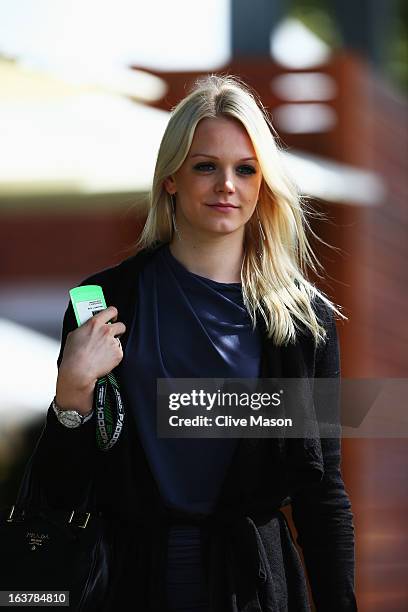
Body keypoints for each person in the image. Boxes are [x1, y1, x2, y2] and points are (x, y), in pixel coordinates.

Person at [31, 74, 357, 611]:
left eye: (244, 169)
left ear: (262, 185)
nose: (226, 184)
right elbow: (59, 492)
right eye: (206, 165)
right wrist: (71, 395)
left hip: (253, 590)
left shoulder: (304, 324)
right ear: (172, 180)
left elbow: (322, 495)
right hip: (128, 588)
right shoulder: (105, 304)